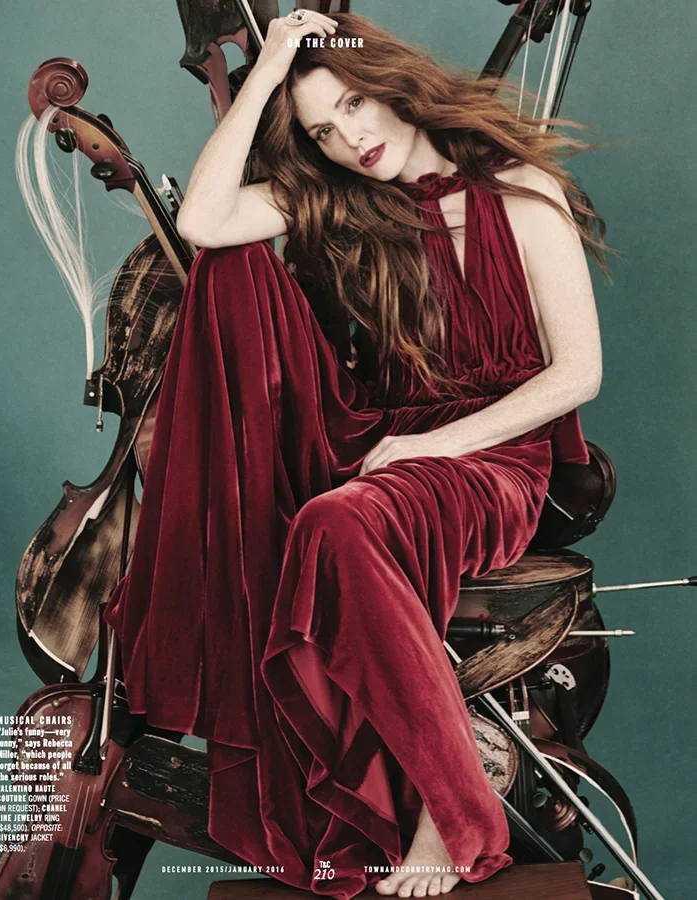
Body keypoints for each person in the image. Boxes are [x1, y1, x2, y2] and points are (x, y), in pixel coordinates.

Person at [104, 10, 605, 899]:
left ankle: (451, 817)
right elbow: (210, 221)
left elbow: (576, 375)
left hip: (493, 457)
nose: (349, 140)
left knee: (334, 522)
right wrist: (267, 78)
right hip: (381, 443)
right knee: (235, 283)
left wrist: (430, 445)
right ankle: (447, 798)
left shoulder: (518, 189)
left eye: (354, 107)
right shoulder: (336, 204)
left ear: (393, 86)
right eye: (322, 133)